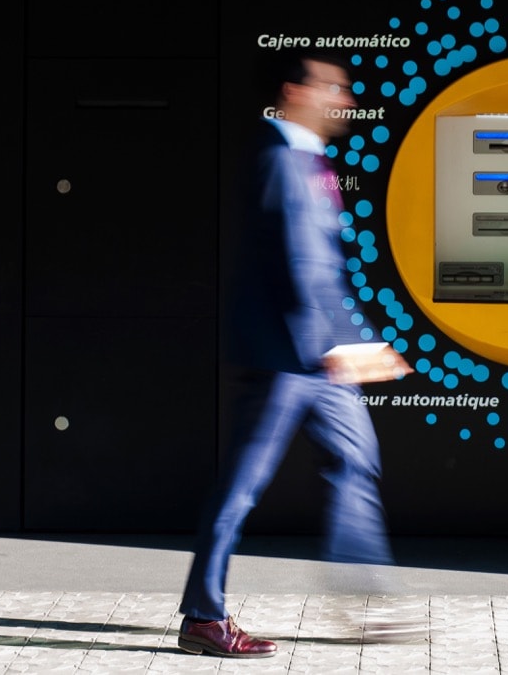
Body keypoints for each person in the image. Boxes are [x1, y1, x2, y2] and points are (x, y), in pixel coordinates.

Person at [176, 51, 412, 659]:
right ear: (295, 91)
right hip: (288, 358)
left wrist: (353, 345)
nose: (346, 100)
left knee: (356, 465)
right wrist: (343, 347)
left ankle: (364, 606)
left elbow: (322, 267)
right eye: (334, 87)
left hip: (323, 360)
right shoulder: (279, 158)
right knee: (241, 488)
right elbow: (297, 265)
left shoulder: (305, 157)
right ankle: (204, 617)